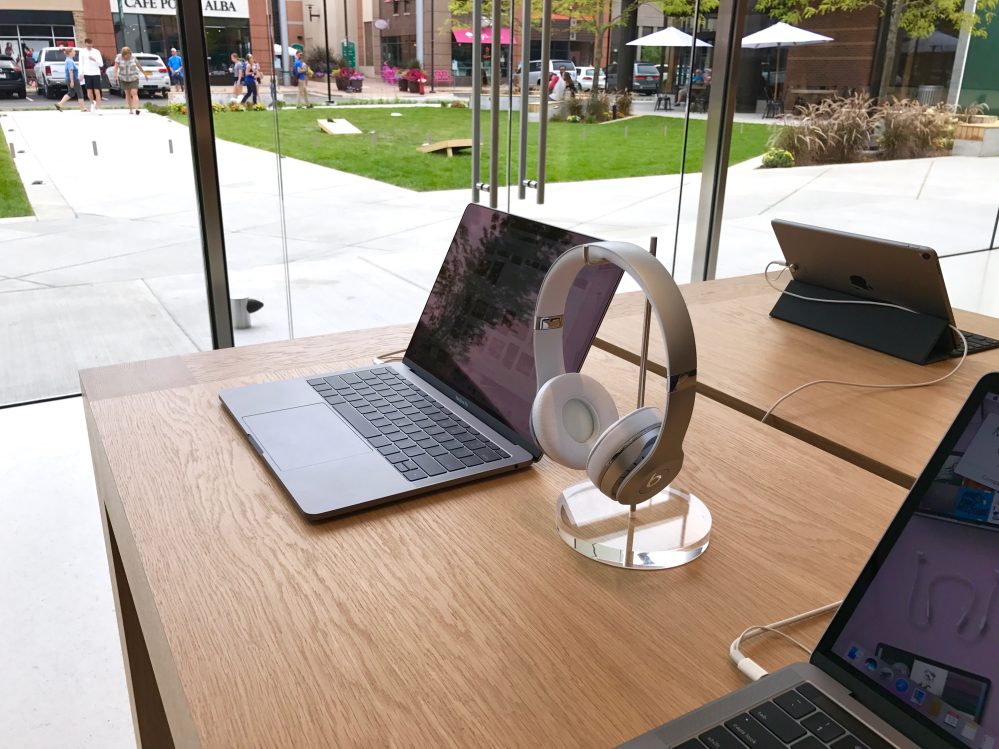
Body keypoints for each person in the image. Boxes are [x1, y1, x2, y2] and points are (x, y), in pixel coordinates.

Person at [112, 46, 149, 115]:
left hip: (133, 77)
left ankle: (137, 109)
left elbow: (139, 66)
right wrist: (115, 75)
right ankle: (130, 109)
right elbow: (116, 67)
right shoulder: (119, 58)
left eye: (129, 55)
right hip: (123, 78)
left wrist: (145, 74)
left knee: (134, 93)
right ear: (123, 54)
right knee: (127, 94)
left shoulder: (133, 57)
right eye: (126, 56)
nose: (127, 57)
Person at [55, 47, 86, 112]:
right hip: (73, 79)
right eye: (73, 51)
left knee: (71, 93)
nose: (75, 53)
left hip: (70, 79)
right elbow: (70, 71)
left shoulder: (69, 60)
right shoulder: (69, 61)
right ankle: (83, 108)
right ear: (69, 53)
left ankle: (60, 104)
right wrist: (72, 81)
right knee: (80, 92)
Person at [79, 38, 104, 111]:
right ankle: (92, 103)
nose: (89, 47)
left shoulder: (96, 52)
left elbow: (101, 64)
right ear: (85, 44)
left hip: (96, 73)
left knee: (97, 91)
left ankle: (99, 107)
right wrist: (81, 73)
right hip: (87, 73)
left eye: (90, 46)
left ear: (92, 44)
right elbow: (81, 63)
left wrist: (95, 60)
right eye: (88, 46)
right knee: (89, 92)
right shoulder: (82, 52)